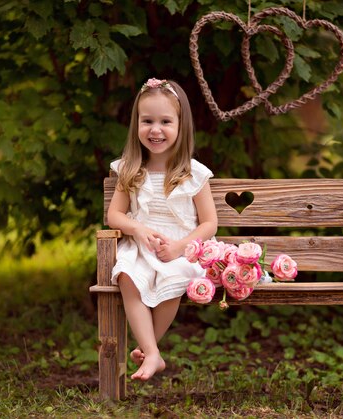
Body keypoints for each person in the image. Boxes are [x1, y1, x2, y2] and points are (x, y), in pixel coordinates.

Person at [107, 78, 218, 381]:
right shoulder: (130, 168)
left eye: (165, 121)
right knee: (127, 276)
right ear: (136, 124)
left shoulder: (193, 173)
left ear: (182, 126)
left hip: (181, 248)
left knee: (174, 277)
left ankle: (149, 349)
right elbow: (114, 215)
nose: (155, 130)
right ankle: (153, 352)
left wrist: (180, 247)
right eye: (147, 121)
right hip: (141, 246)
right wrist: (138, 229)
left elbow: (210, 223)